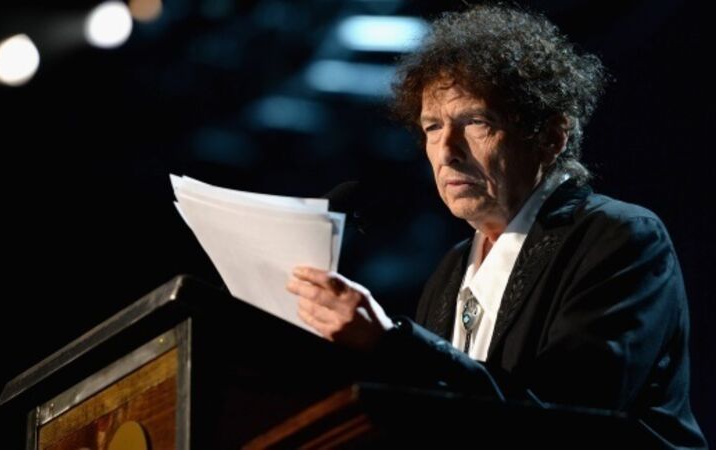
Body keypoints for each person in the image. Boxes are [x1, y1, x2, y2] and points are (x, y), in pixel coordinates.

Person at [285, 4, 706, 448]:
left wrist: (392, 344)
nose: (447, 151)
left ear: (551, 136)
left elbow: (566, 417)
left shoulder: (620, 238)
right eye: (432, 127)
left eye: (476, 122)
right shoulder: (452, 269)